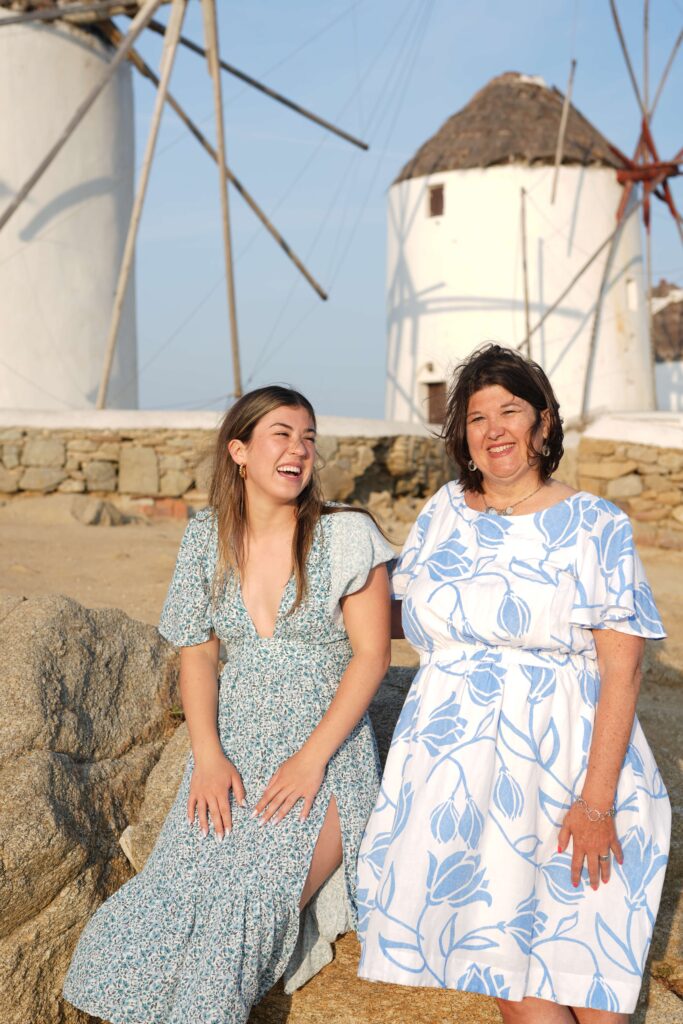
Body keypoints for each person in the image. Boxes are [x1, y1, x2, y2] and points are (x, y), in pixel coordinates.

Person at [357, 344, 670, 1023]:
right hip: (459, 775)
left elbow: (623, 666)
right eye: (475, 417)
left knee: (590, 983)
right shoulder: (442, 511)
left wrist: (594, 804)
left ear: (545, 424)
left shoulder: (595, 524)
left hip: (568, 772)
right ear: (460, 434)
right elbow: (393, 612)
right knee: (514, 985)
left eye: (510, 411)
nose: (493, 429)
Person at [63, 385, 393, 1024]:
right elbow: (197, 652)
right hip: (232, 753)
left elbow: (372, 658)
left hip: (323, 758)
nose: (299, 449)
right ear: (239, 451)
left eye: (308, 437)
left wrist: (310, 761)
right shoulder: (206, 538)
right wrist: (208, 757)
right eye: (282, 434)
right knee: (164, 905)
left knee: (245, 913)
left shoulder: (346, 536)